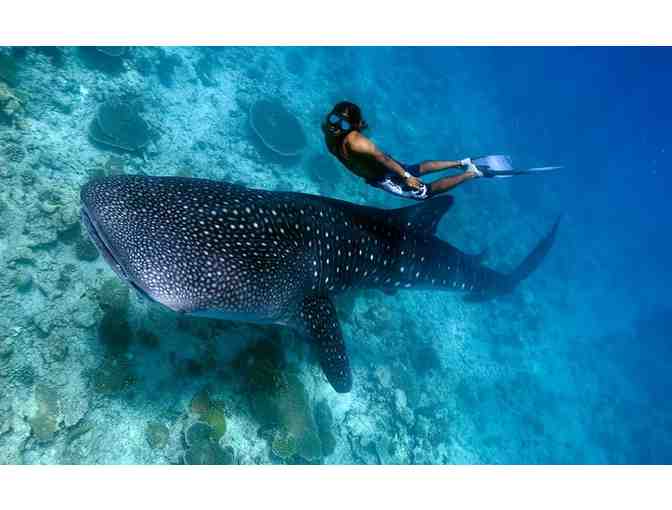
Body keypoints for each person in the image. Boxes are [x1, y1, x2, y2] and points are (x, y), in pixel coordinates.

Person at [322, 101, 484, 201]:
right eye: (334, 118)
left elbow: (383, 158)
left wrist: (406, 177)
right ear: (330, 115)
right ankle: (461, 163)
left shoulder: (356, 143)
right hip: (381, 169)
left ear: (352, 126)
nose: (335, 126)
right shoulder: (327, 128)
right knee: (416, 169)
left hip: (385, 175)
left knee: (425, 193)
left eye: (344, 124)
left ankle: (472, 173)